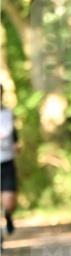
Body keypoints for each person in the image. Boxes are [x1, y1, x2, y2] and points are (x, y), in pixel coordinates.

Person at [0, 84, 19, 243]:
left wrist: (16, 144)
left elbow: (14, 135)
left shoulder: (7, 113)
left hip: (6, 162)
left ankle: (8, 215)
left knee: (9, 203)